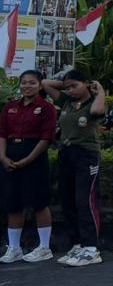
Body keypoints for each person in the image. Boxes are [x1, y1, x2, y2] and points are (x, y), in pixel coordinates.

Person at [40, 69, 105, 266]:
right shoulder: (67, 102)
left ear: (86, 84)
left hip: (86, 155)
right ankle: (77, 244)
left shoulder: (94, 103)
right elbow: (45, 84)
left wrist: (98, 89)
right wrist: (67, 85)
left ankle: (91, 248)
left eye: (74, 86)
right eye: (68, 88)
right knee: (67, 200)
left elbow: (96, 112)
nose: (71, 91)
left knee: (84, 200)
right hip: (66, 153)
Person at [1, 70, 59, 264]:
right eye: (24, 82)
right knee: (12, 202)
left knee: (38, 202)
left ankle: (44, 247)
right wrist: (2, 157)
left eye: (32, 83)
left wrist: (28, 159)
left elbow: (47, 138)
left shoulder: (46, 108)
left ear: (40, 85)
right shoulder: (10, 108)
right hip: (11, 155)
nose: (27, 86)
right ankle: (14, 248)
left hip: (35, 156)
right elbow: (2, 134)